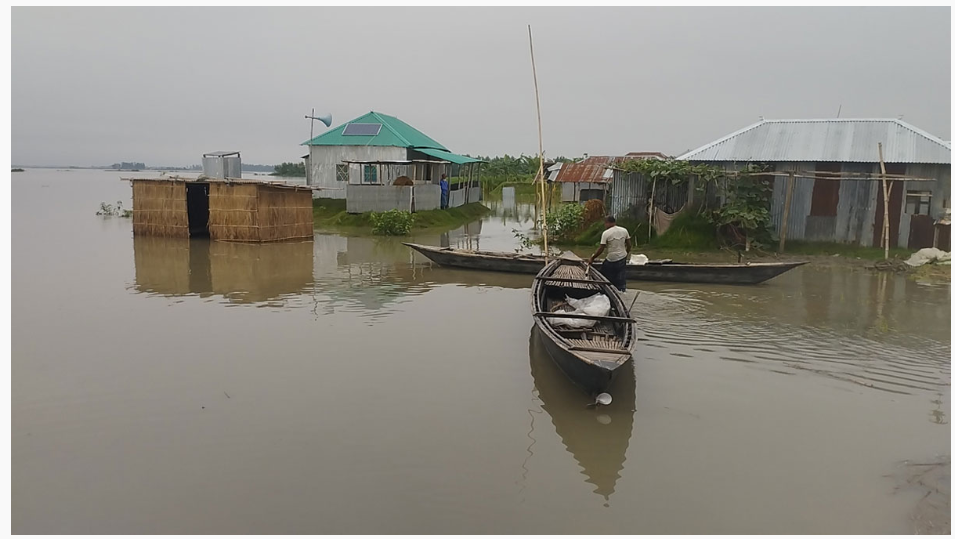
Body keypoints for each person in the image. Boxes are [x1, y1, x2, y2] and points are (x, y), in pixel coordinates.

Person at [588, 215, 632, 291]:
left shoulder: (606, 233)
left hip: (612, 259)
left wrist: (593, 258)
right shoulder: (624, 230)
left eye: (605, 223)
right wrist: (626, 253)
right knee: (621, 276)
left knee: (604, 275)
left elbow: (601, 248)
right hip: (622, 257)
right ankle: (622, 290)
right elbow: (629, 245)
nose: (605, 225)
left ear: (607, 223)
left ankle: (605, 289)